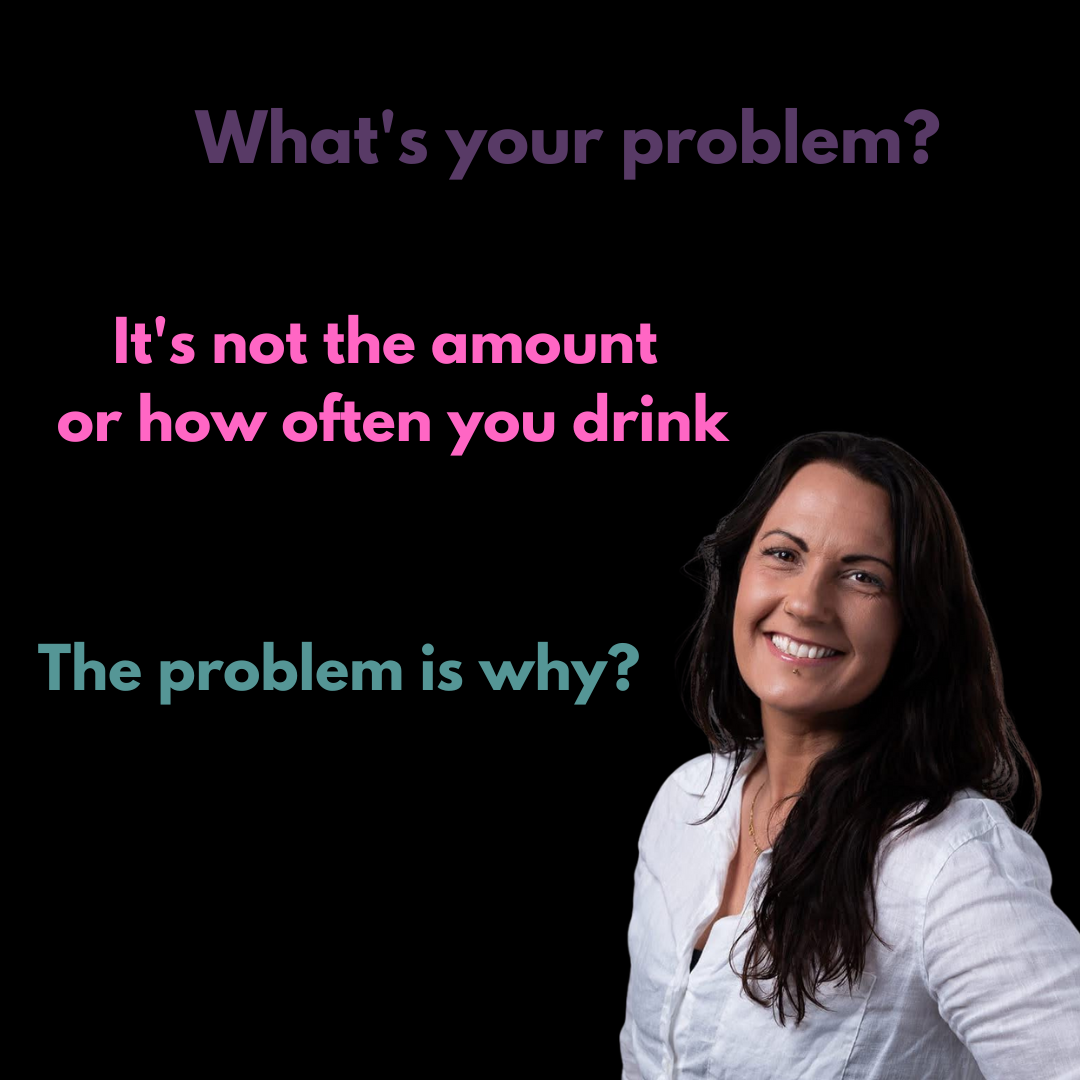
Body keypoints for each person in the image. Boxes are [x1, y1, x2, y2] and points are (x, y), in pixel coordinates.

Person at [619, 431, 1080, 1080]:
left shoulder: (947, 862)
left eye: (863, 576)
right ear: (738, 575)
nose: (807, 602)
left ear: (914, 626)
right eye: (783, 554)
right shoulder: (686, 800)